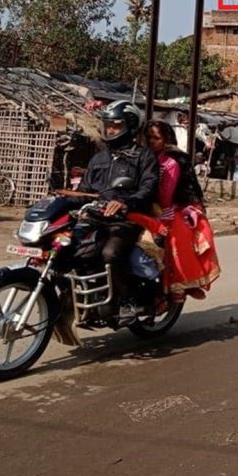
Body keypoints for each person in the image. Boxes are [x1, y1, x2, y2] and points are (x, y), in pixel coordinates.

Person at [79, 100, 159, 321]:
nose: (110, 130)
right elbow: (85, 189)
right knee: (71, 248)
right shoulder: (99, 158)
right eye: (108, 125)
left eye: (116, 125)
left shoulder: (143, 156)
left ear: (130, 126)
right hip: (95, 217)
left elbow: (148, 189)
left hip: (127, 219)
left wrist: (126, 203)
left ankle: (127, 301)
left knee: (110, 254)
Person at [126, 120, 220, 302]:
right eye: (148, 138)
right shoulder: (138, 155)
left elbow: (166, 195)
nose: (151, 141)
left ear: (167, 139)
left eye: (156, 138)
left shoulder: (171, 162)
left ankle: (179, 285)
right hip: (139, 203)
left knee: (173, 239)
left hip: (168, 206)